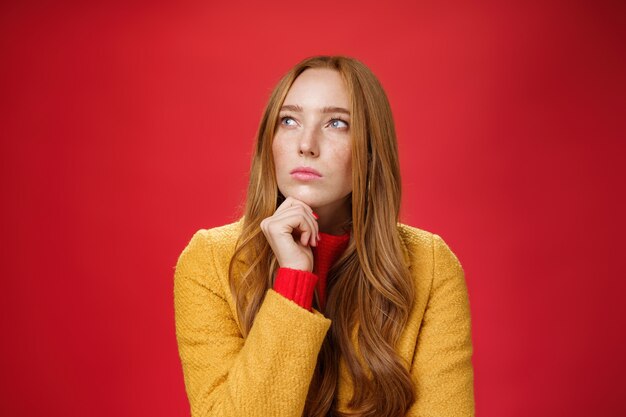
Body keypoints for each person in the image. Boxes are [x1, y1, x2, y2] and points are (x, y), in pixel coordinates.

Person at [173, 55, 474, 417]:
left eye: (336, 123)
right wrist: (294, 282)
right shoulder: (209, 260)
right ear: (269, 140)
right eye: (289, 120)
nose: (307, 145)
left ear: (371, 148)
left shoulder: (431, 264)